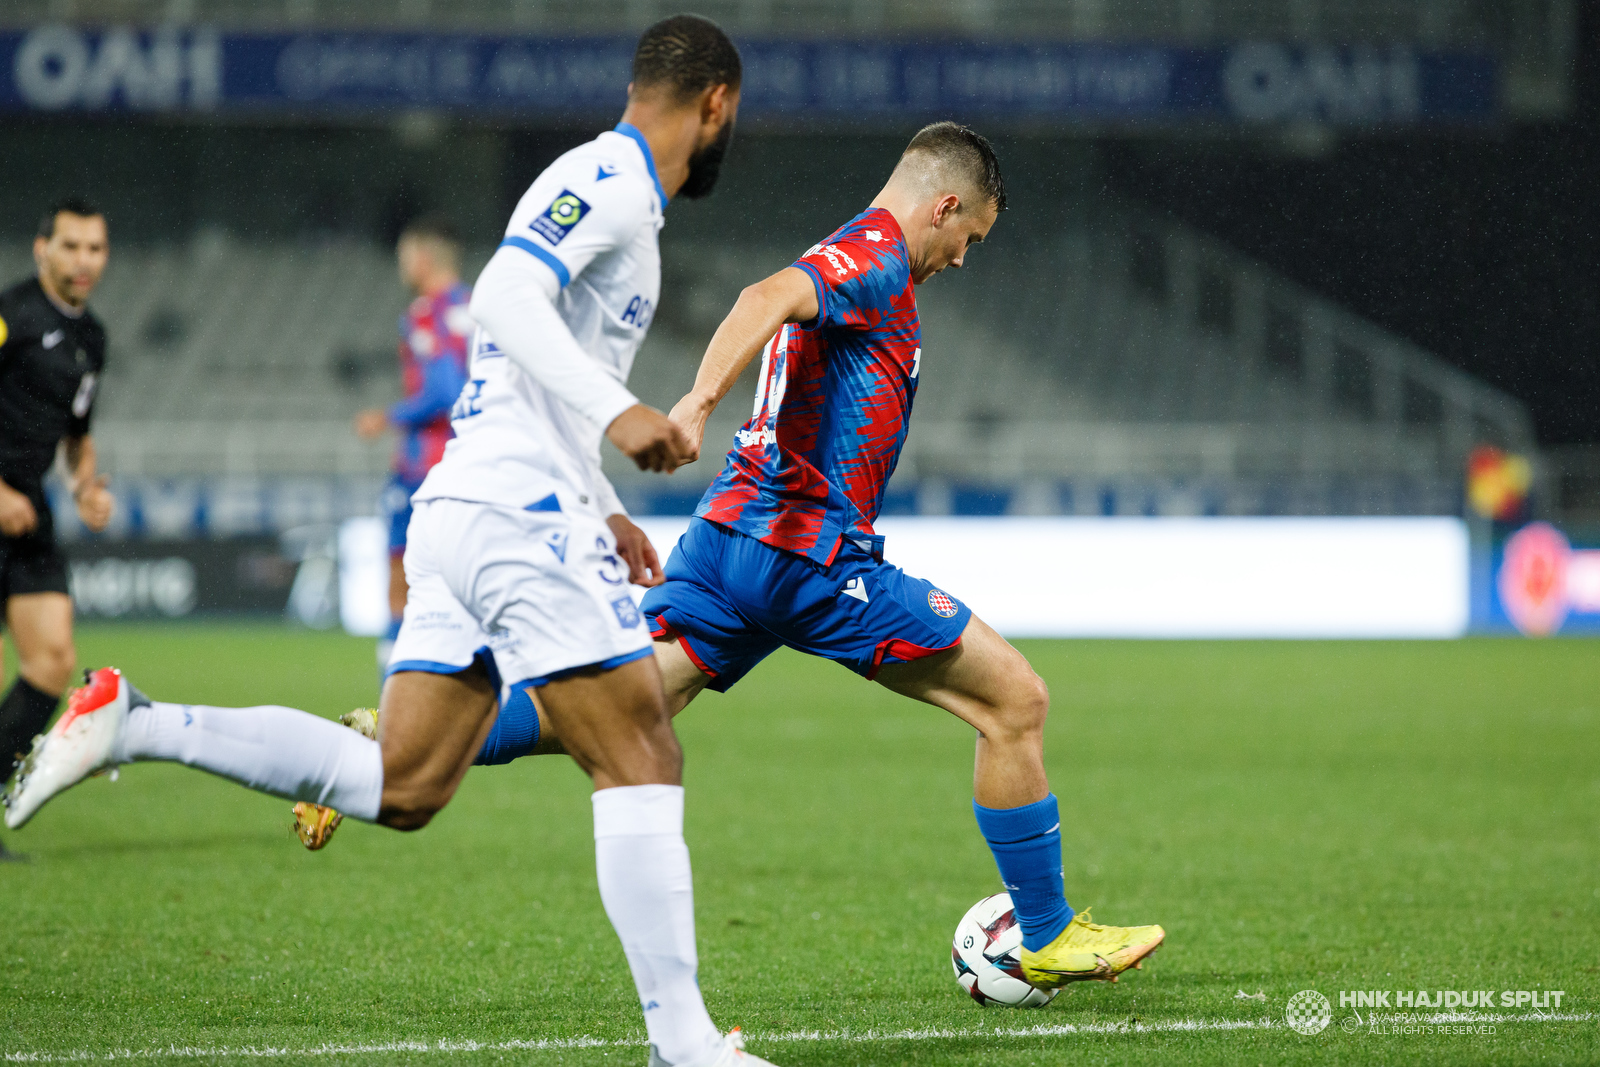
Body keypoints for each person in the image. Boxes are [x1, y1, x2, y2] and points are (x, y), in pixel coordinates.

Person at [4, 16, 778, 1067]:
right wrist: (620, 413)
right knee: (639, 743)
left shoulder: (617, 192)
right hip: (511, 508)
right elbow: (500, 297)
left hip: (473, 502)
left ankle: (135, 721)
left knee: (407, 781)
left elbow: (519, 375)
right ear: (716, 102)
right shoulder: (610, 176)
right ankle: (684, 1044)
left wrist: (601, 499)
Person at [430, 123, 1167, 990]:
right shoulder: (879, 253)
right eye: (969, 240)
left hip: (725, 542)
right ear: (945, 206)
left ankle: (402, 747)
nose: (964, 259)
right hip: (805, 552)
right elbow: (761, 295)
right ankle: (1042, 930)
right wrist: (698, 404)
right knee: (1015, 700)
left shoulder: (853, 250)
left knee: (618, 706)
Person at [0, 197, 115, 862]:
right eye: (71, 246)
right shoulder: (11, 314)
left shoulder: (91, 337)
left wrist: (86, 485)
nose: (83, 261)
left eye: (95, 248)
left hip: (31, 509)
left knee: (51, 661)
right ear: (42, 248)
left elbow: (77, 434)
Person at [353, 215, 473, 669]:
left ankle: (396, 688)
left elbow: (447, 392)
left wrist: (386, 417)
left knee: (400, 580)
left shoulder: (425, 313)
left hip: (425, 467)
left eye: (405, 256)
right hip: (476, 464)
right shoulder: (482, 308)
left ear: (422, 258)